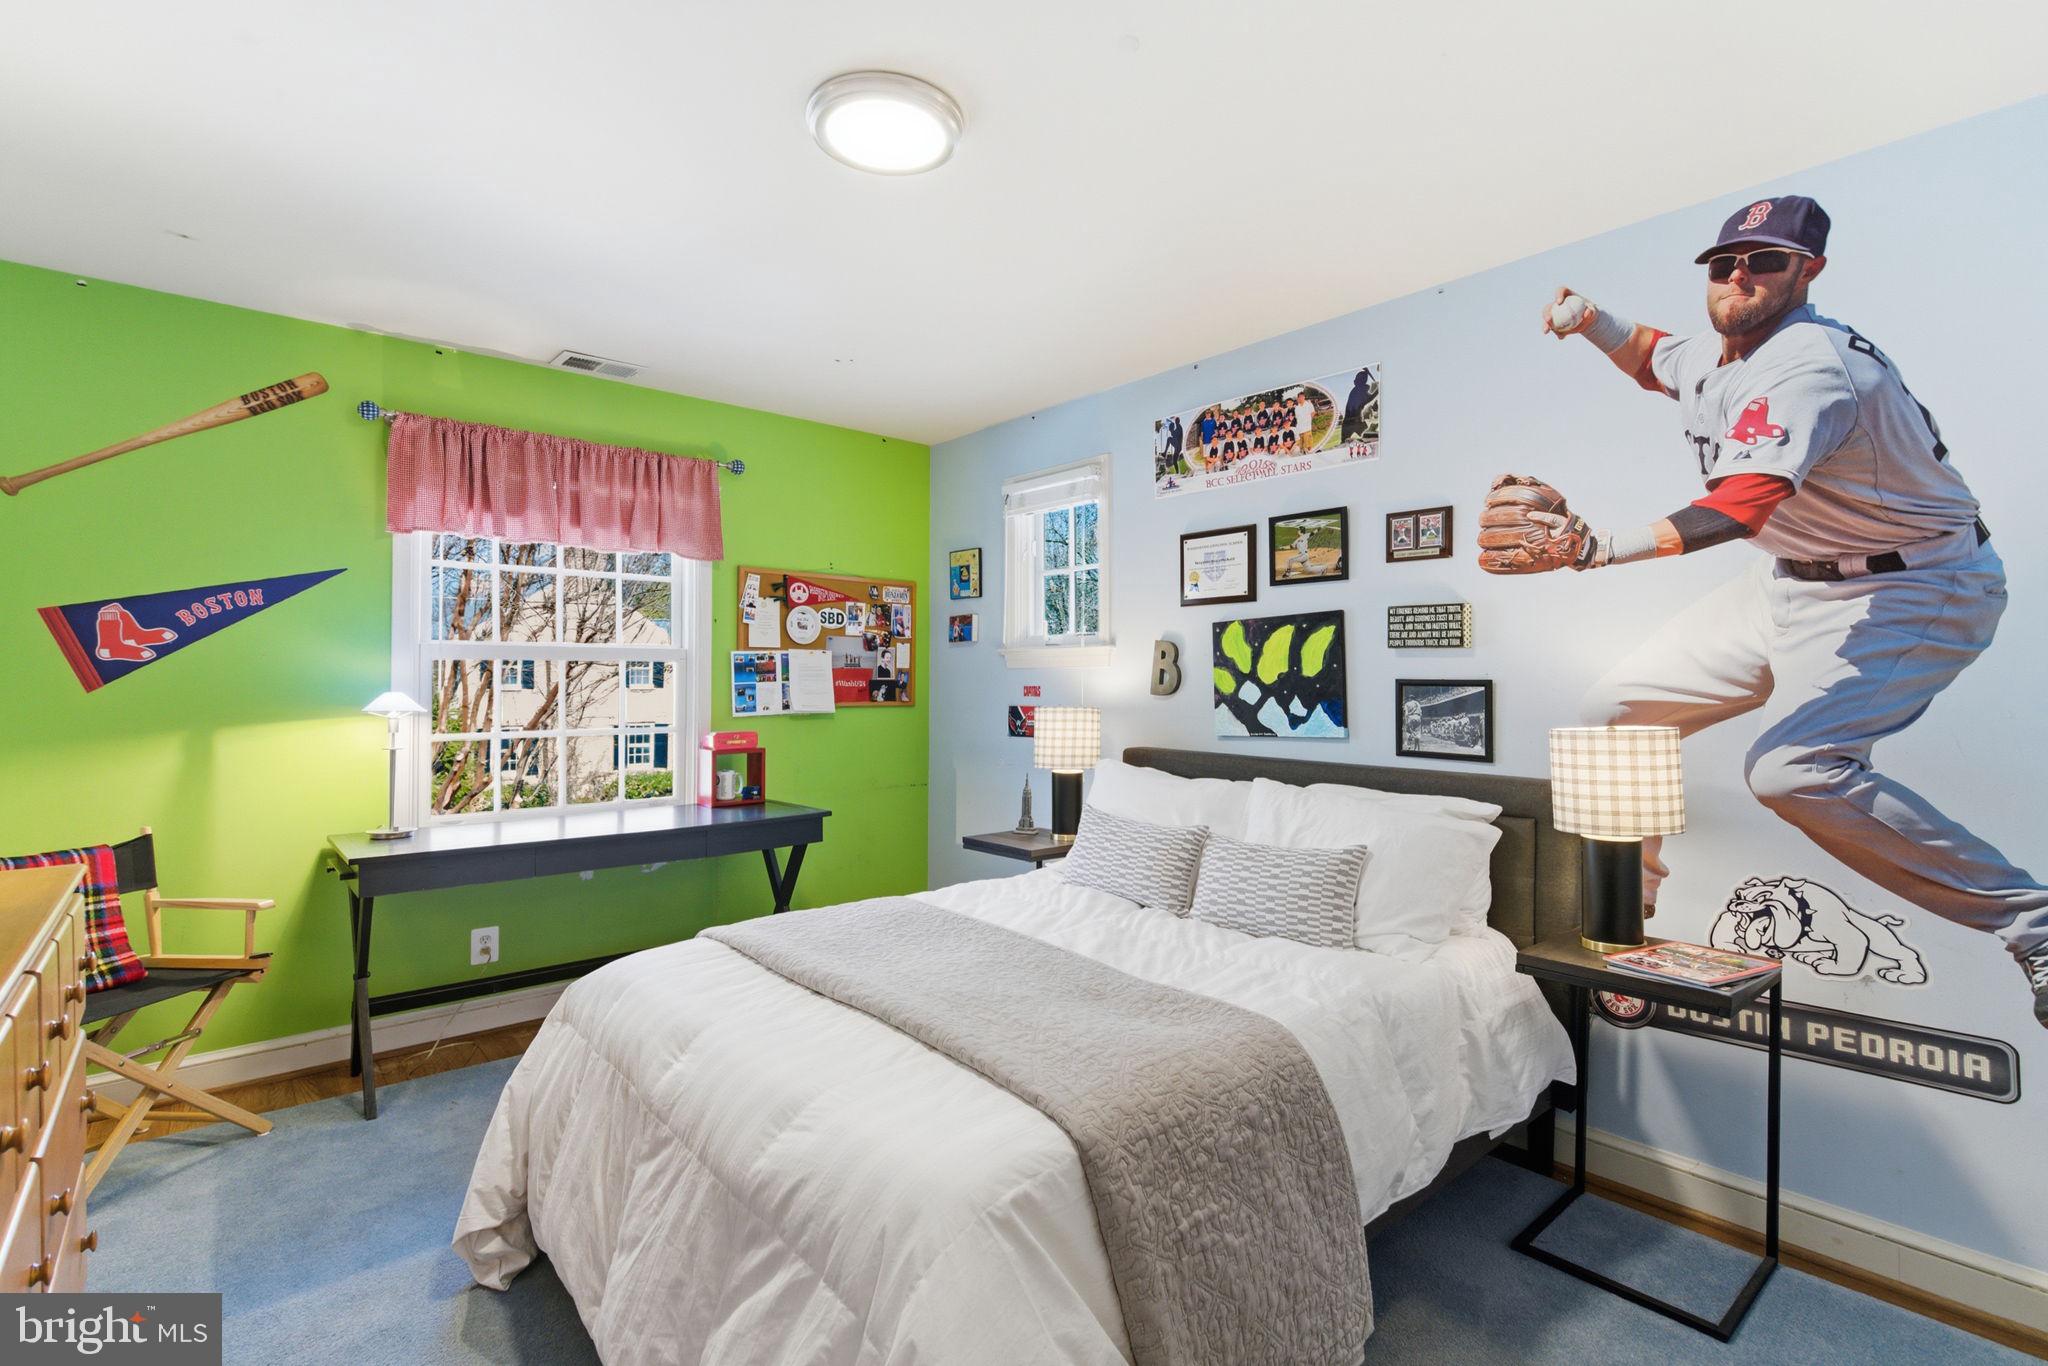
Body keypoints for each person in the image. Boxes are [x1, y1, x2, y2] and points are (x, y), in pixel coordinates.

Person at [1538, 194, 2046, 1026]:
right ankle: (1629, 924)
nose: (1739, 274)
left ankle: (2035, 922)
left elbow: (1742, 504)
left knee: (1792, 770)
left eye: (1764, 260)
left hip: (1911, 584)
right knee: (1613, 715)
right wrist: (1593, 319)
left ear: (1808, 270)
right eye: (1724, 261)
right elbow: (1657, 358)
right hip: (1788, 578)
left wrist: (1598, 549)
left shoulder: (1812, 365)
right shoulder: (1721, 348)